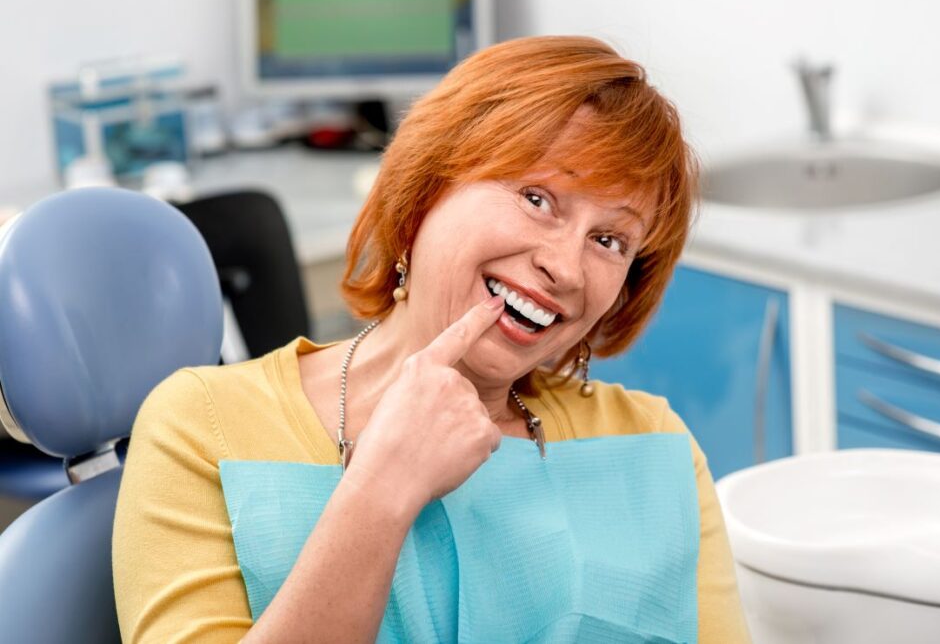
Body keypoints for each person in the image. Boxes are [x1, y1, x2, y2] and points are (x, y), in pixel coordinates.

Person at [112, 35, 751, 643]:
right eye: (536, 198)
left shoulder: (654, 446)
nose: (566, 266)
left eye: (609, 241)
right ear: (423, 196)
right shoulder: (200, 426)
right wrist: (382, 490)